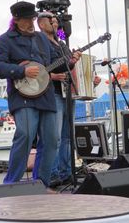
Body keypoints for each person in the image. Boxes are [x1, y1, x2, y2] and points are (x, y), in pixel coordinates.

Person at [0, 1, 81, 187]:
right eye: (27, 19)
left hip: (45, 95)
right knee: (25, 135)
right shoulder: (5, 40)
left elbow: (56, 63)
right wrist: (21, 71)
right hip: (22, 97)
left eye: (32, 18)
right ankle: (11, 184)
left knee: (51, 140)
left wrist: (71, 61)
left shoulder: (41, 39)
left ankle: (41, 184)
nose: (31, 22)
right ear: (16, 20)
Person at [37, 12, 101, 187]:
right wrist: (51, 75)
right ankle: (52, 174)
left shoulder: (62, 44)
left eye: (57, 21)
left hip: (67, 93)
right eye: (52, 21)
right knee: (55, 137)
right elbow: (39, 68)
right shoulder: (39, 42)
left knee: (67, 136)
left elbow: (70, 66)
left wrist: (88, 77)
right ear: (42, 24)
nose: (56, 23)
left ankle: (66, 172)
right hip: (52, 94)